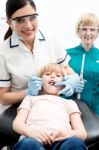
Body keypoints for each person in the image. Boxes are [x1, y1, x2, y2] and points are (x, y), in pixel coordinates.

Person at [0, 0, 81, 148]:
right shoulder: (3, 52)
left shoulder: (50, 38)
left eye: (33, 17)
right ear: (9, 23)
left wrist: (74, 78)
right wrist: (27, 93)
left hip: (52, 106)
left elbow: (66, 68)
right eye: (20, 20)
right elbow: (3, 98)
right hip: (20, 108)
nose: (29, 25)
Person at [12, 63, 87, 150]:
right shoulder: (30, 99)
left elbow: (82, 133)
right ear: (40, 81)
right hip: (33, 138)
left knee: (75, 143)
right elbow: (17, 124)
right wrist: (31, 132)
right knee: (27, 144)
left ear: (65, 82)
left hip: (62, 140)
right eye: (47, 74)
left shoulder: (70, 103)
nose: (52, 77)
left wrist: (68, 134)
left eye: (58, 75)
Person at [66, 13, 99, 115]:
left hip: (95, 110)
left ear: (97, 32)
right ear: (78, 31)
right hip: (68, 108)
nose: (88, 33)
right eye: (84, 29)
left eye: (92, 29)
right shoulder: (66, 55)